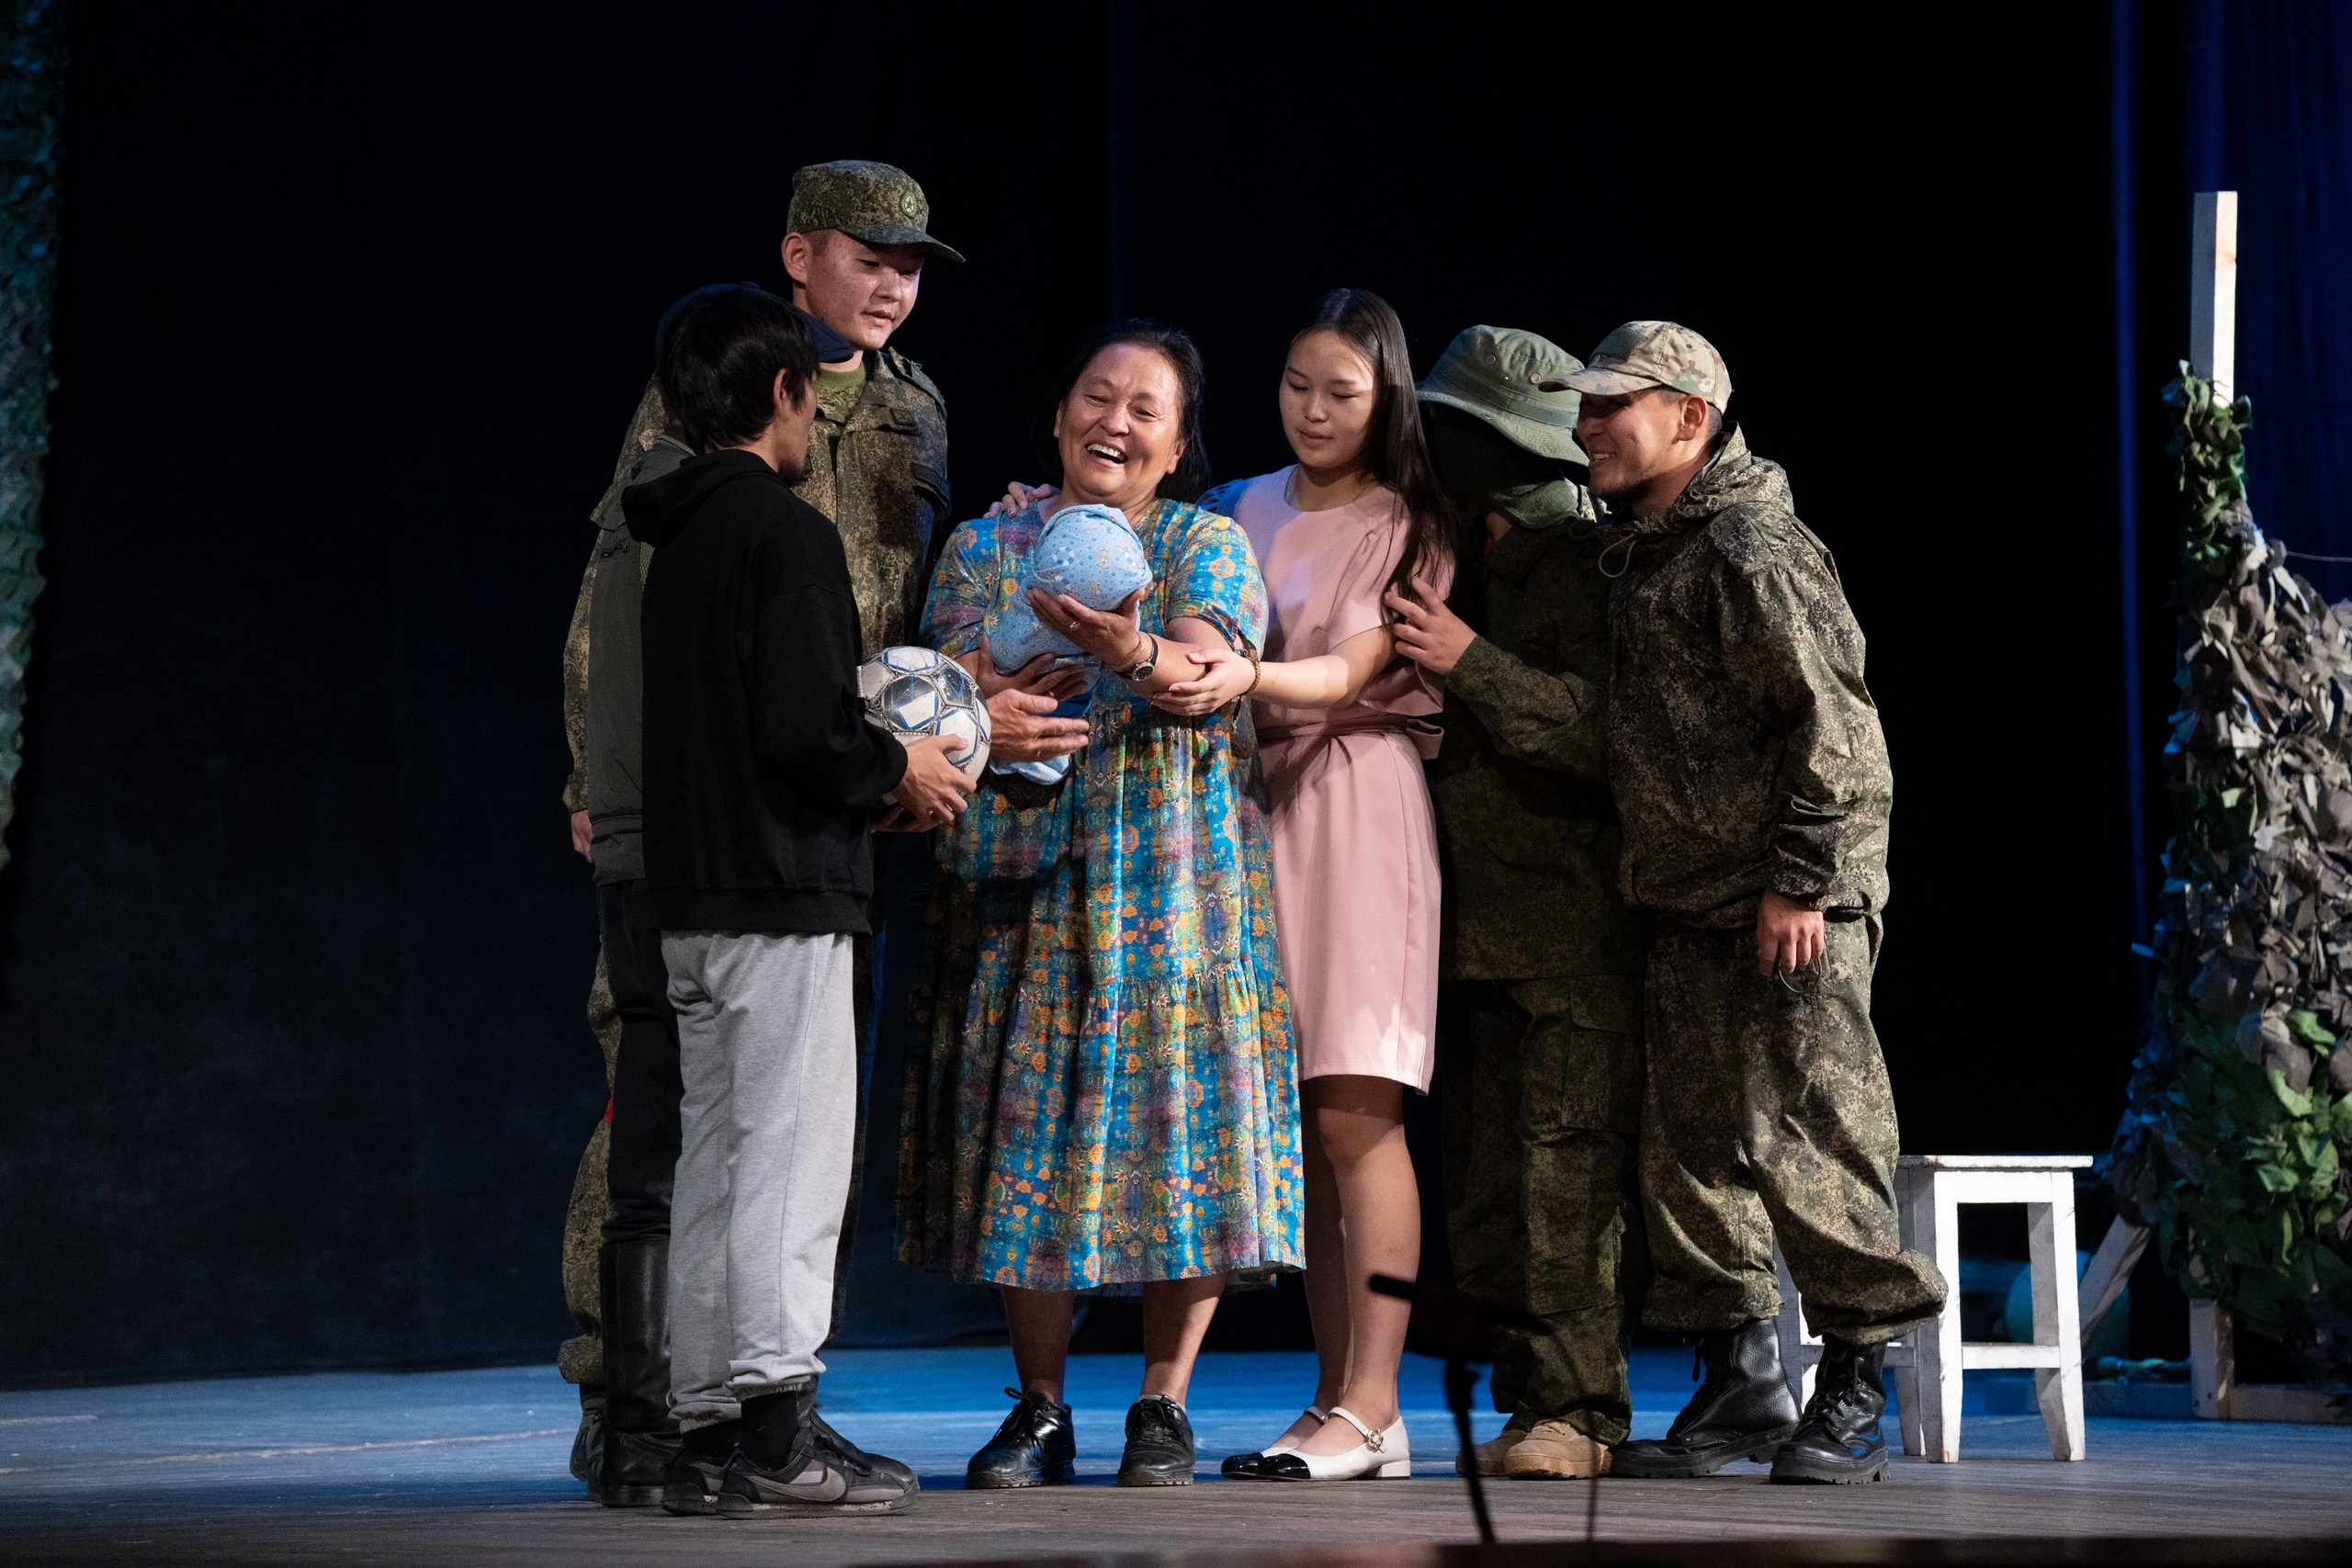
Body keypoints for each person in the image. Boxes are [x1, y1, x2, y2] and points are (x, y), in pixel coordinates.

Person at [557, 160, 1088, 1508]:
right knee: (697, 1133)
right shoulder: (718, 419)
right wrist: (604, 782)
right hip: (734, 820)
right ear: (799, 261)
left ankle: (732, 1408)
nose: (895, 284)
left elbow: (905, 614)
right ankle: (650, 1406)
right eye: (871, 255)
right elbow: (615, 606)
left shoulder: (914, 409)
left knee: (763, 1139)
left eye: (914, 264)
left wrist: (949, 721)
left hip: (822, 818)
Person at [897, 323, 1303, 1490]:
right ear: (1059, 415)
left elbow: (1202, 674)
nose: (1113, 421)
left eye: (1144, 409)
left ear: (1176, 447)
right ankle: (1039, 1408)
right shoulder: (986, 545)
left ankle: (1162, 1406)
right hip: (1024, 893)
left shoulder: (1204, 543)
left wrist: (1128, 648)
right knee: (1031, 1145)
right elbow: (948, 678)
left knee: (1185, 1145)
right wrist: (985, 697)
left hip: (1173, 898)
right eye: (1095, 396)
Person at [1557, 321, 1946, 1485]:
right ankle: (1741, 1382)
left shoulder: (1751, 547)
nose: (1585, 426)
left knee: (1811, 1137)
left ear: (1690, 416)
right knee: (1688, 1152)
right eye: (1583, 406)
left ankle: (1855, 1378)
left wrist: (1798, 883)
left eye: (1611, 405)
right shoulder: (1649, 548)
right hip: (1690, 899)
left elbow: (1838, 731)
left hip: (1784, 903)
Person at [627, 283, 972, 1518]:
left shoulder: (671, 541)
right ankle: (776, 1426)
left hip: (692, 898)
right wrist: (898, 767)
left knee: (718, 1160)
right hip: (780, 891)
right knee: (789, 1157)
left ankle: (707, 1428)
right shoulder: (784, 533)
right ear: (786, 394)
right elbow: (805, 730)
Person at [1150, 289, 1453, 1483]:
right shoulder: (1237, 505)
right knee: (1305, 1127)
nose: (1314, 410)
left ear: (1387, 399)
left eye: (1342, 392)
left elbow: (1351, 667)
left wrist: (1244, 674)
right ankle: (1340, 1401)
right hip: (1248, 813)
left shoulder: (1407, 520)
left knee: (1356, 1111)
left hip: (1357, 807)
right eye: (1296, 385)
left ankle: (1374, 1402)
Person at [1378, 325, 1649, 1482]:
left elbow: (1614, 736)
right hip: (1472, 925)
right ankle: (1527, 1399)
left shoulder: (1592, 562)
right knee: (1490, 1185)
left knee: (1562, 1179)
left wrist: (1468, 661)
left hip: (1569, 928)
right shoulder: (1463, 556)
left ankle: (1578, 1410)